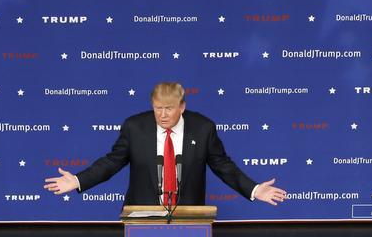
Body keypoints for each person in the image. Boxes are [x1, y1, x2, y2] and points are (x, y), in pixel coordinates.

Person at [44, 82, 287, 206]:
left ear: (182, 107)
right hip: (142, 213)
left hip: (188, 213)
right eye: (157, 108)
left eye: (168, 109)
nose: (162, 115)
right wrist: (78, 180)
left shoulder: (203, 129)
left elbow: (224, 167)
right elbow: (111, 162)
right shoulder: (135, 127)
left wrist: (255, 189)